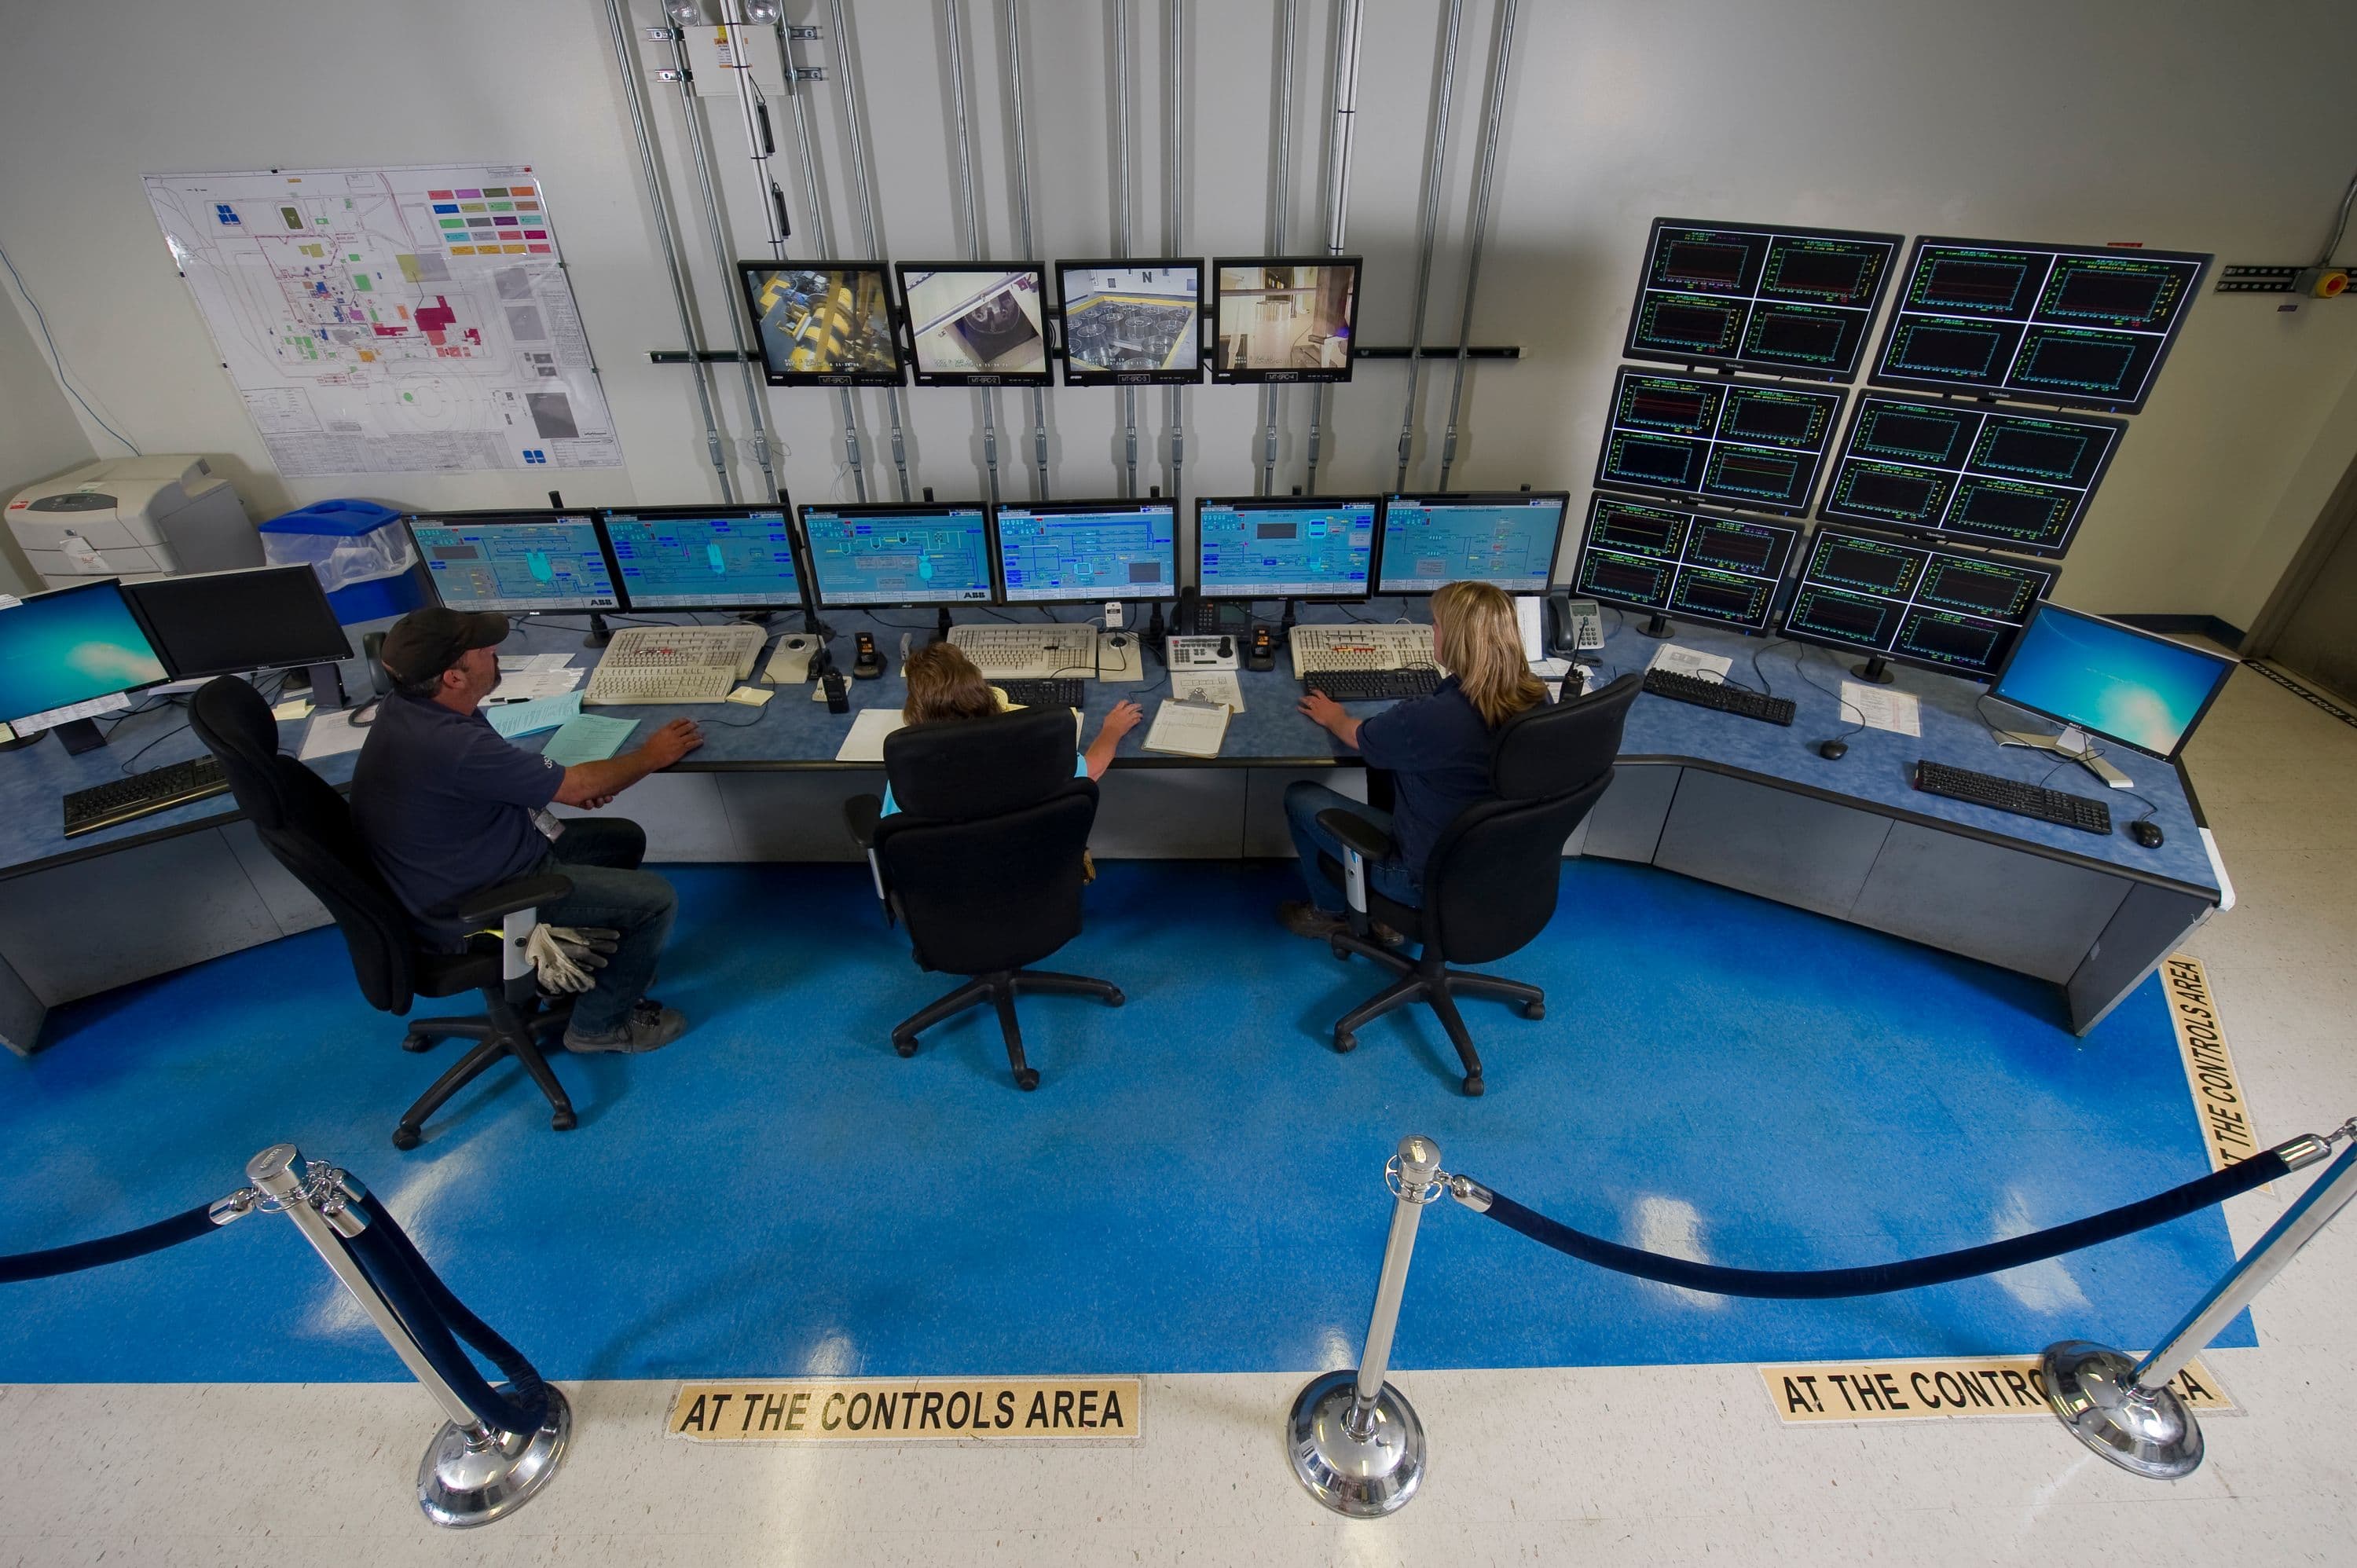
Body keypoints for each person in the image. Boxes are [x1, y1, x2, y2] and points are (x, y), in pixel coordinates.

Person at [351, 606, 705, 1053]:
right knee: (655, 901)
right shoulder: (452, 744)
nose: (495, 651)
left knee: (622, 840)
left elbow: (492, 785)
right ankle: (600, 1027)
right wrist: (652, 755)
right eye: (483, 650)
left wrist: (565, 786)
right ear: (453, 677)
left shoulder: (413, 709)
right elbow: (579, 787)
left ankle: (587, 974)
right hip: (472, 903)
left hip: (461, 864)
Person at [1278, 579, 1549, 939]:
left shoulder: (1432, 718)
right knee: (1388, 768)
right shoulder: (1536, 697)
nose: (1431, 632)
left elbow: (1359, 736)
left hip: (1420, 878)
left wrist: (1334, 715)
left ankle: (1329, 913)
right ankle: (1389, 920)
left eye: (1435, 625)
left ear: (1456, 641)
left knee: (1299, 796)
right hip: (1501, 869)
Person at [879, 643, 1142, 817]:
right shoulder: (1028, 743)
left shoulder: (909, 774)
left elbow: (892, 824)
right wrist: (1111, 730)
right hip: (1025, 865)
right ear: (981, 689)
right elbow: (1092, 770)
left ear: (915, 710)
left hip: (947, 876)